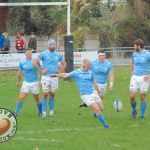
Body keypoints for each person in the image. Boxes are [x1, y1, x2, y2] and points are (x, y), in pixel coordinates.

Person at [52, 59, 109, 128]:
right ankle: (106, 126)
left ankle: (95, 114)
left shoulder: (90, 72)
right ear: (84, 66)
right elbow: (65, 75)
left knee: (101, 108)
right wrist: (56, 75)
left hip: (93, 92)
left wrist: (98, 92)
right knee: (97, 109)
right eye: (88, 67)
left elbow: (94, 82)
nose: (89, 68)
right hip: (86, 96)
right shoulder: (77, 73)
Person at [33, 39, 67, 117]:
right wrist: (41, 71)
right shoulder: (43, 53)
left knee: (52, 94)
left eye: (54, 44)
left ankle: (51, 112)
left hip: (54, 77)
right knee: (45, 94)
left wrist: (60, 71)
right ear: (48, 45)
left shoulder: (58, 54)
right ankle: (44, 112)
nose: (52, 46)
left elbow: (64, 64)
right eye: (51, 45)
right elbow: (34, 62)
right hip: (46, 77)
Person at [14, 48, 42, 116]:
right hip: (26, 83)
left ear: (32, 53)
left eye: (30, 52)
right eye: (28, 52)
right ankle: (15, 113)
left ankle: (40, 112)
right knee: (21, 98)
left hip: (35, 83)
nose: (29, 54)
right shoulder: (22, 63)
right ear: (25, 54)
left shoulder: (35, 62)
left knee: (37, 99)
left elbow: (41, 71)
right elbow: (20, 73)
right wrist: (18, 82)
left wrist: (41, 81)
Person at [130, 39, 150, 119]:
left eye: (135, 45)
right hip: (135, 77)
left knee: (142, 96)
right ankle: (134, 110)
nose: (134, 47)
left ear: (139, 46)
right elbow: (132, 63)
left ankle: (141, 115)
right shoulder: (134, 54)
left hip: (144, 77)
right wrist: (132, 71)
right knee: (132, 96)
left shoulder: (147, 54)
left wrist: (149, 75)